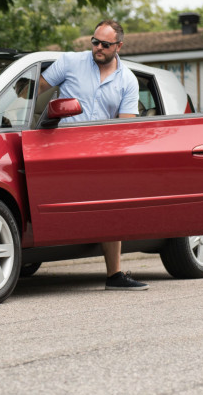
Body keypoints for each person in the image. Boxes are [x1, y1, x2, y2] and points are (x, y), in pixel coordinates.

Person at [38, 19, 149, 291]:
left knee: (112, 201)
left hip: (101, 151)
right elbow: (33, 91)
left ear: (119, 46)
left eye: (105, 44)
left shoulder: (128, 81)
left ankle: (114, 275)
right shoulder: (70, 62)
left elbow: (125, 127)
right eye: (95, 42)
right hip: (60, 148)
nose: (98, 48)